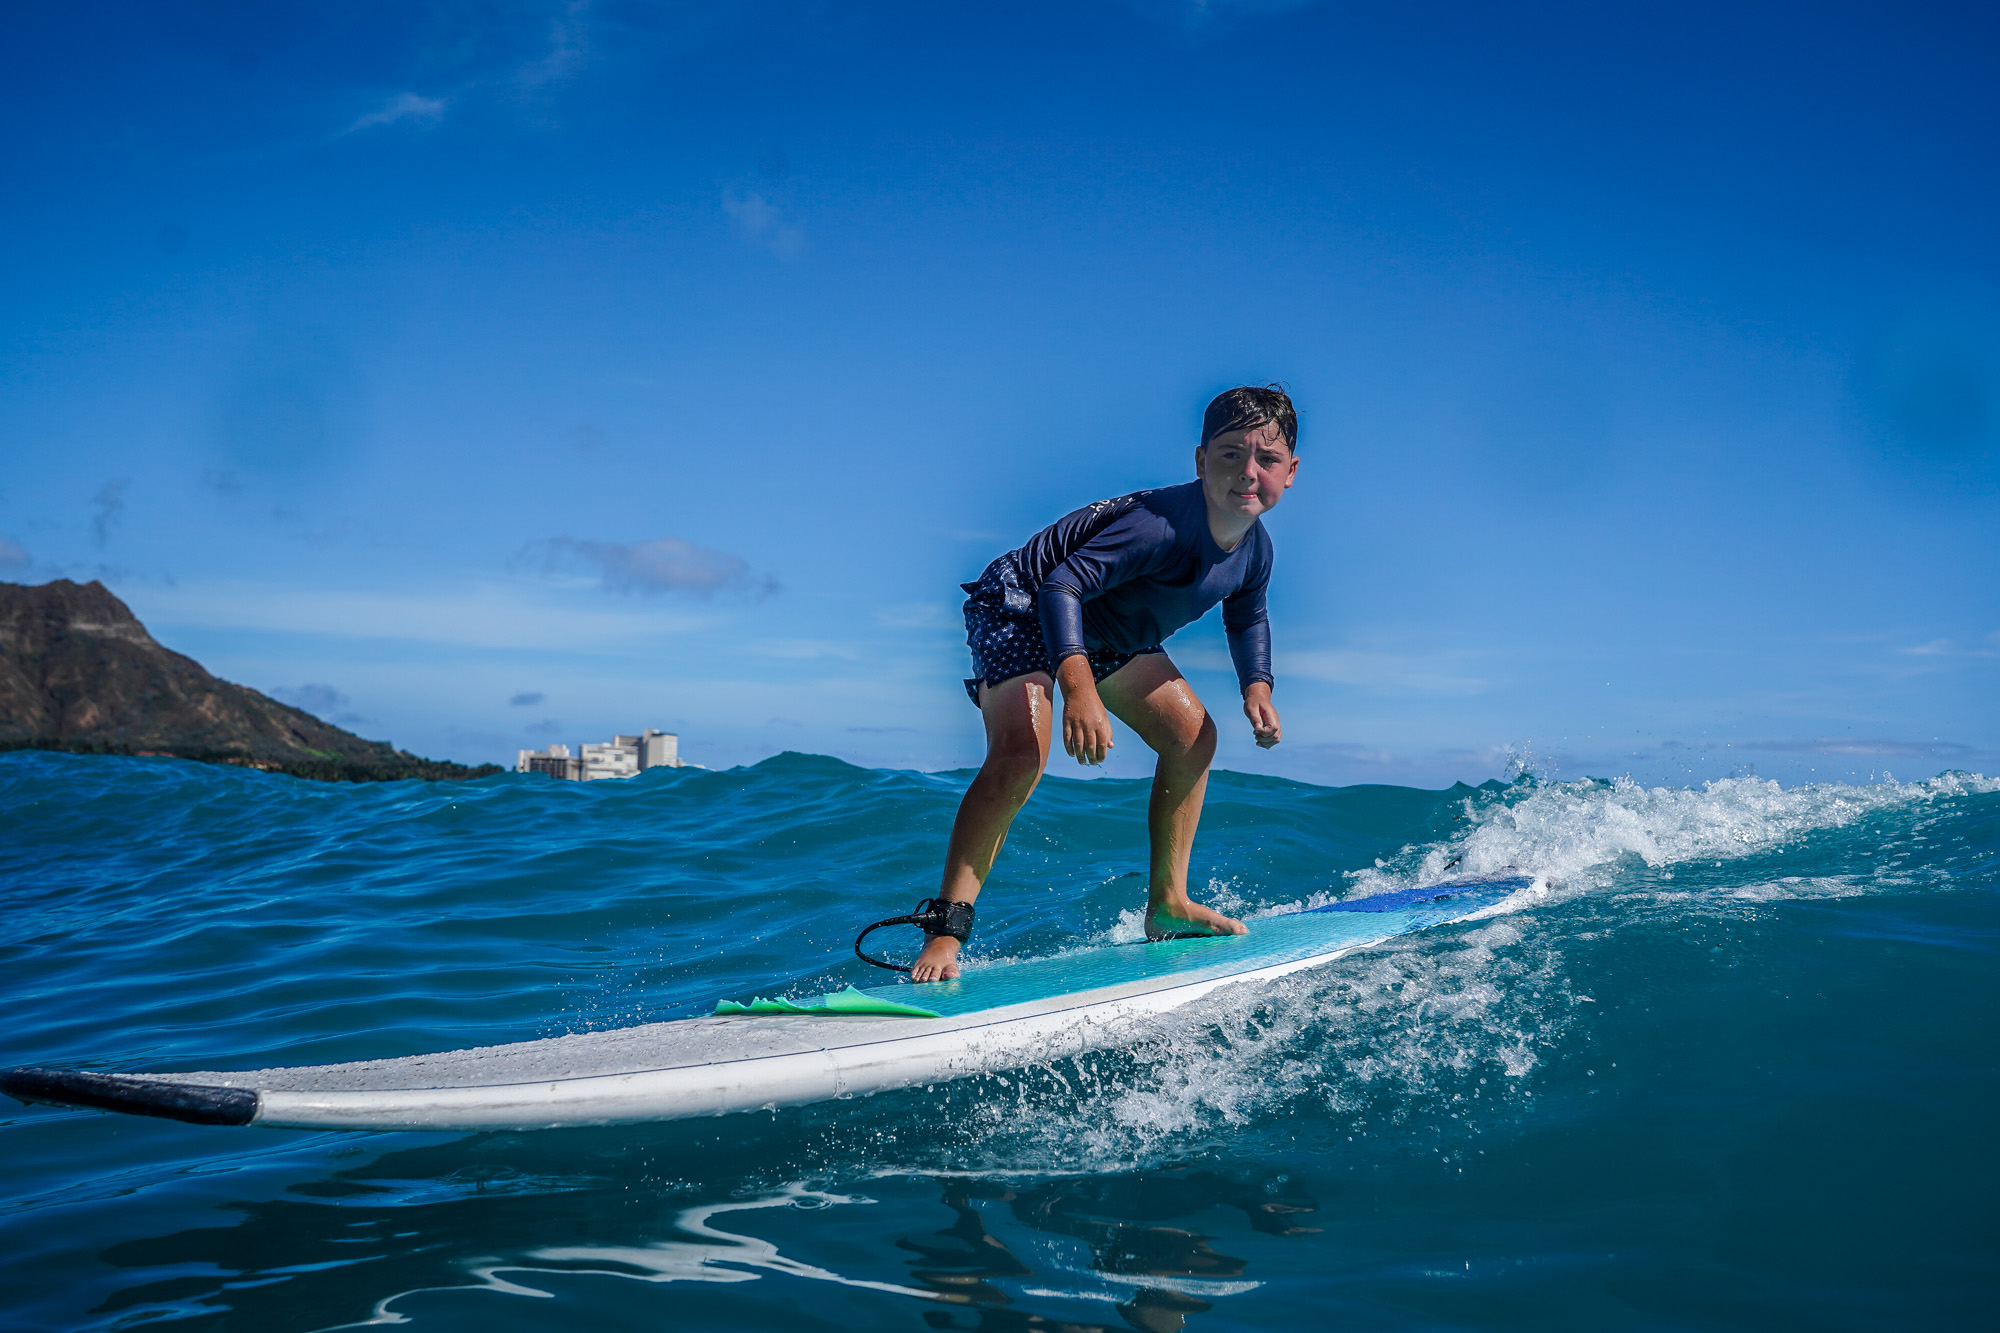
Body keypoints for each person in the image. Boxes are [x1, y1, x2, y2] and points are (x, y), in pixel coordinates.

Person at [907, 384, 1299, 982]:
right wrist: (1079, 689)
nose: (1248, 473)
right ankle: (944, 933)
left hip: (1107, 629)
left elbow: (1247, 616)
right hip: (1022, 601)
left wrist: (1257, 688)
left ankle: (1168, 905)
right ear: (1200, 462)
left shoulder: (1255, 551)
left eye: (1266, 460)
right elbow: (1061, 585)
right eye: (1229, 455)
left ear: (1289, 472)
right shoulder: (1159, 526)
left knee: (1193, 737)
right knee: (1020, 755)